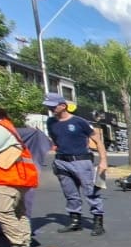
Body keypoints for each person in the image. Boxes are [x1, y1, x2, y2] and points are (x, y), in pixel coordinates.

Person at [44, 93, 108, 236]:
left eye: (53, 106)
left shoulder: (79, 122)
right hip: (61, 161)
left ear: (63, 106)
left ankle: (98, 222)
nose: (50, 108)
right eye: (48, 106)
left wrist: (103, 161)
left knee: (91, 192)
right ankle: (75, 222)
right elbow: (56, 140)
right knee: (70, 193)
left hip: (81, 161)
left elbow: (98, 141)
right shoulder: (50, 122)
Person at [0, 97, 39, 247]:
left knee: (0, 211)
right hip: (15, 178)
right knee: (18, 212)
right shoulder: (4, 126)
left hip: (7, 179)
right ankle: (23, 244)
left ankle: (19, 245)